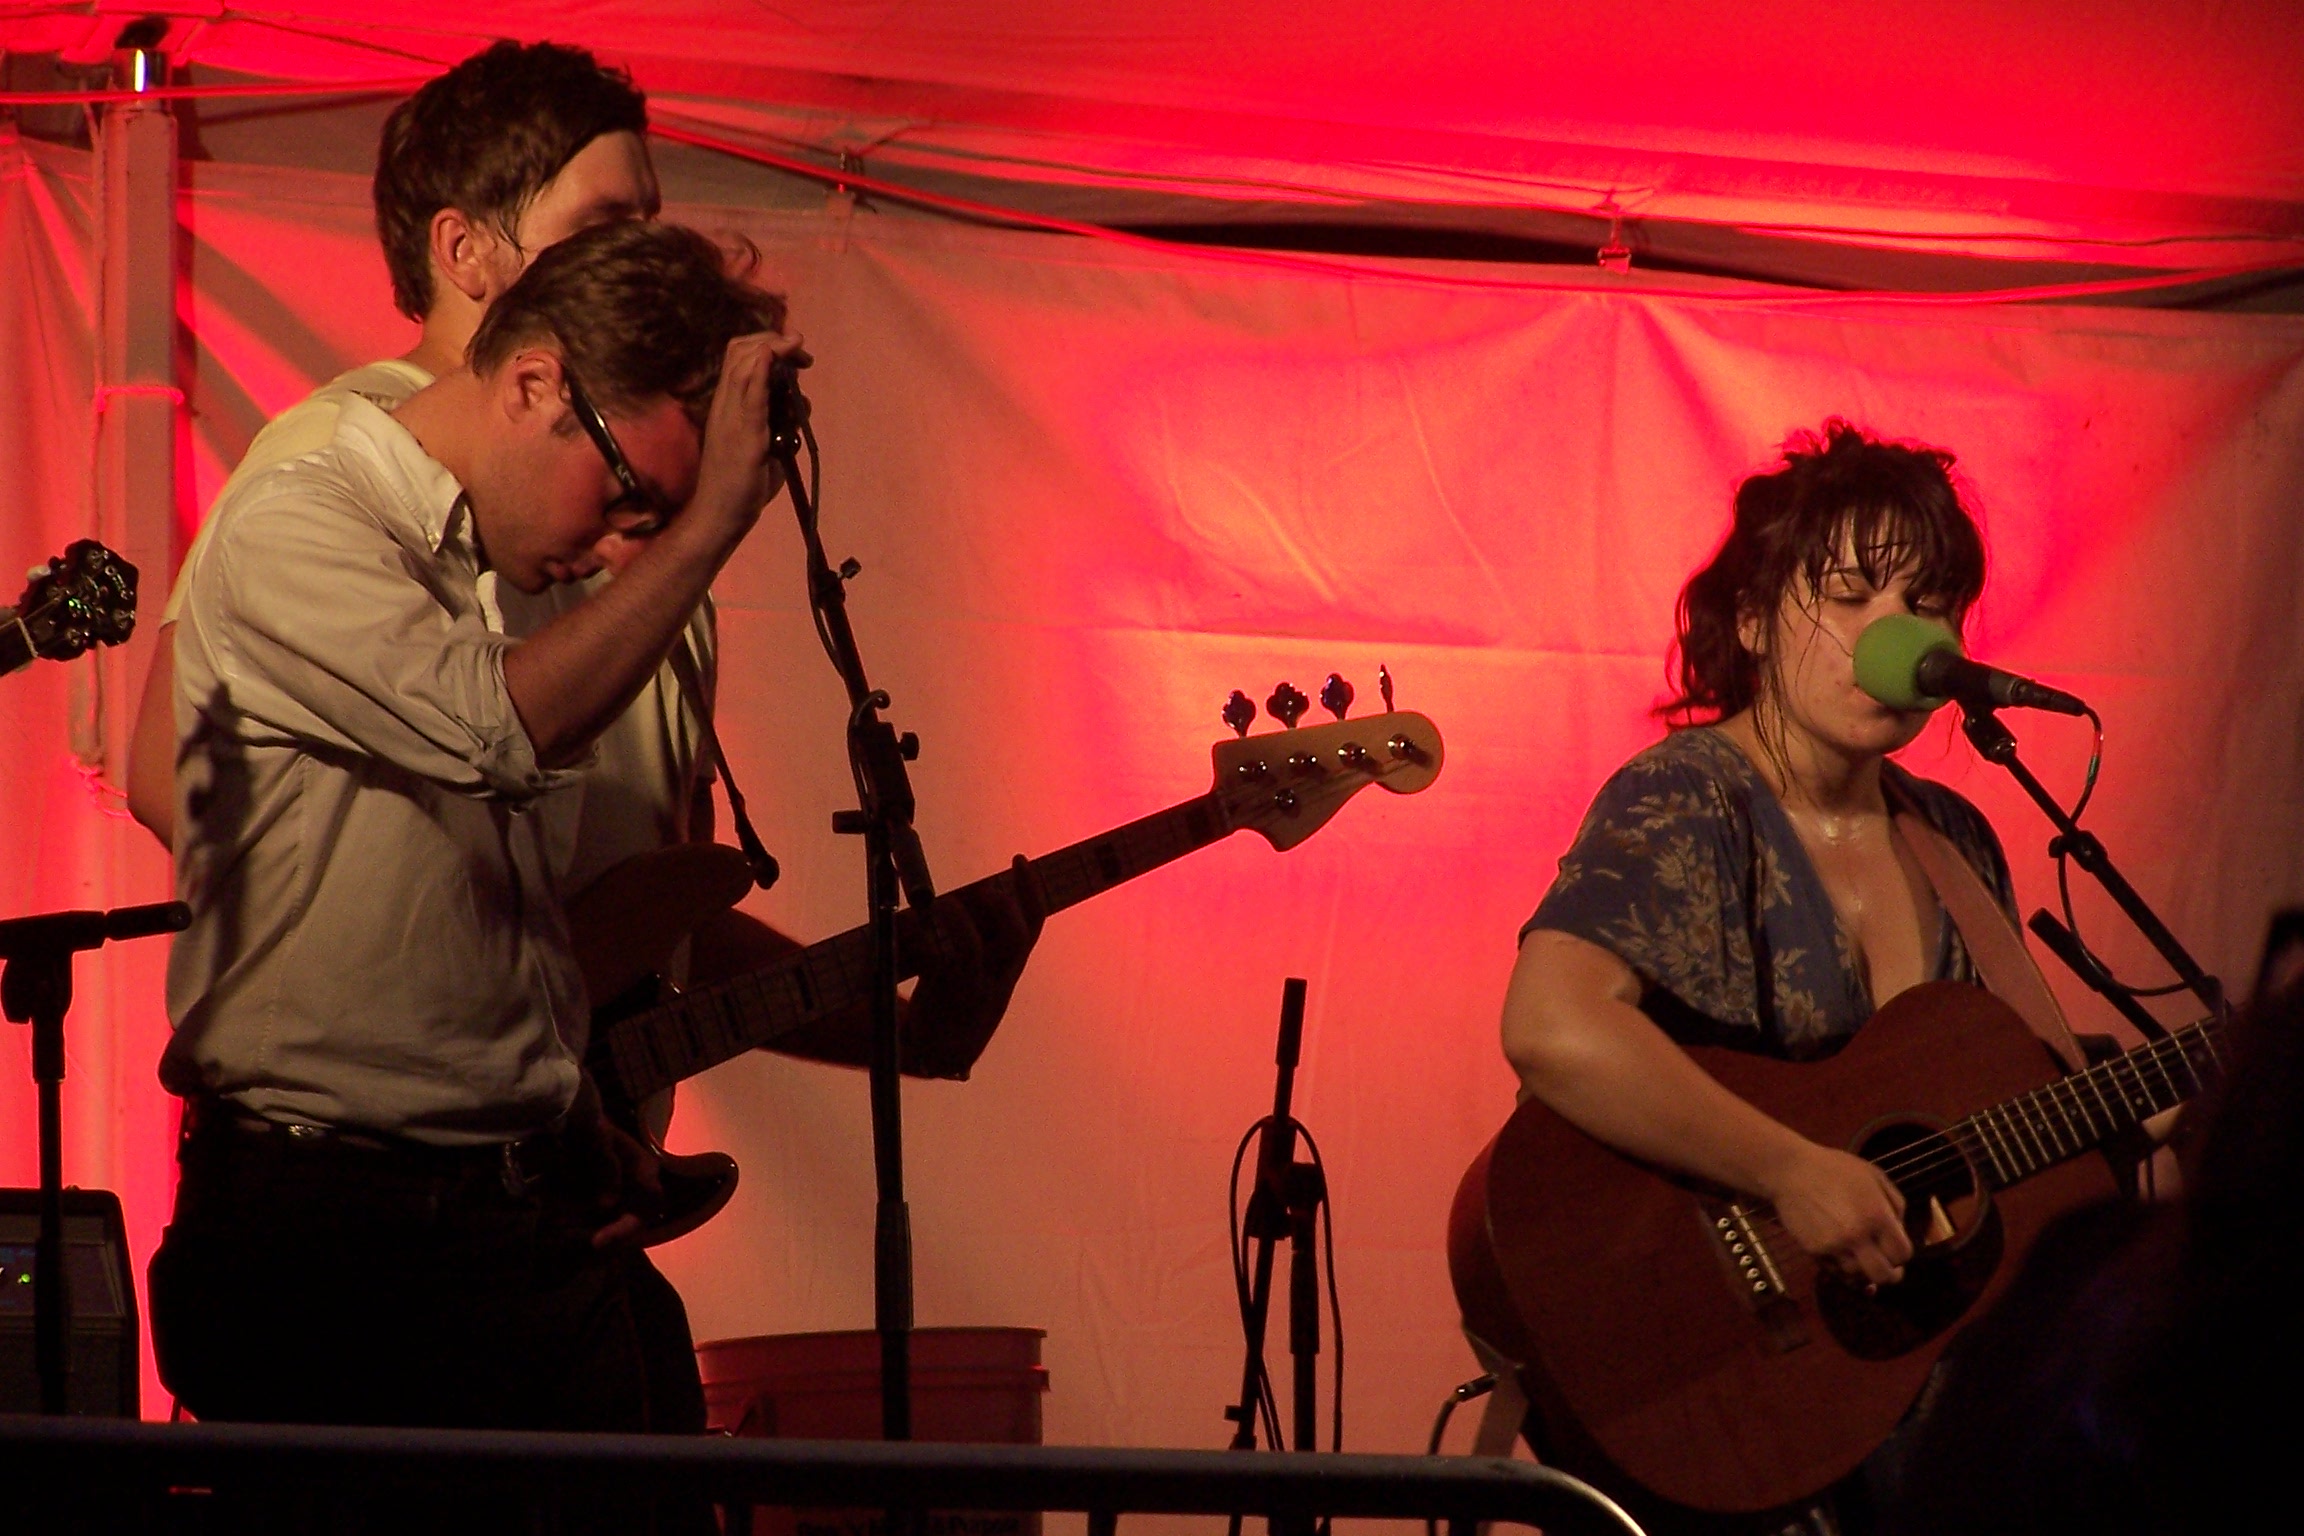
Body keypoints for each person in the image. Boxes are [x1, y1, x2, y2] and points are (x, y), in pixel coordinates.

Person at [147, 222, 1039, 1455]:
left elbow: (466, 937)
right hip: (330, 1236)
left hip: (502, 1218)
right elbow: (494, 729)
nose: (632, 543)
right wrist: (711, 518)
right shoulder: (304, 516)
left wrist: (556, 1112)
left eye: (658, 518)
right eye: (629, 496)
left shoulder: (494, 571)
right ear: (532, 384)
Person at [1498, 420, 2013, 1531]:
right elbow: (1552, 1024)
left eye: (1924, 602)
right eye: (1851, 597)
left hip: (1883, 1387)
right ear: (1752, 621)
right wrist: (1791, 1171)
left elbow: (1983, 1115)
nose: (1896, 633)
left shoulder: (1959, 843)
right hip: (1716, 1370)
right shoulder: (1689, 796)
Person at [125, 38, 666, 855]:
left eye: (648, 227)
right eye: (603, 227)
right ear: (462, 250)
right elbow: (170, 779)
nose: (645, 260)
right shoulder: (329, 456)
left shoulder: (645, 488)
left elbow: (664, 842)